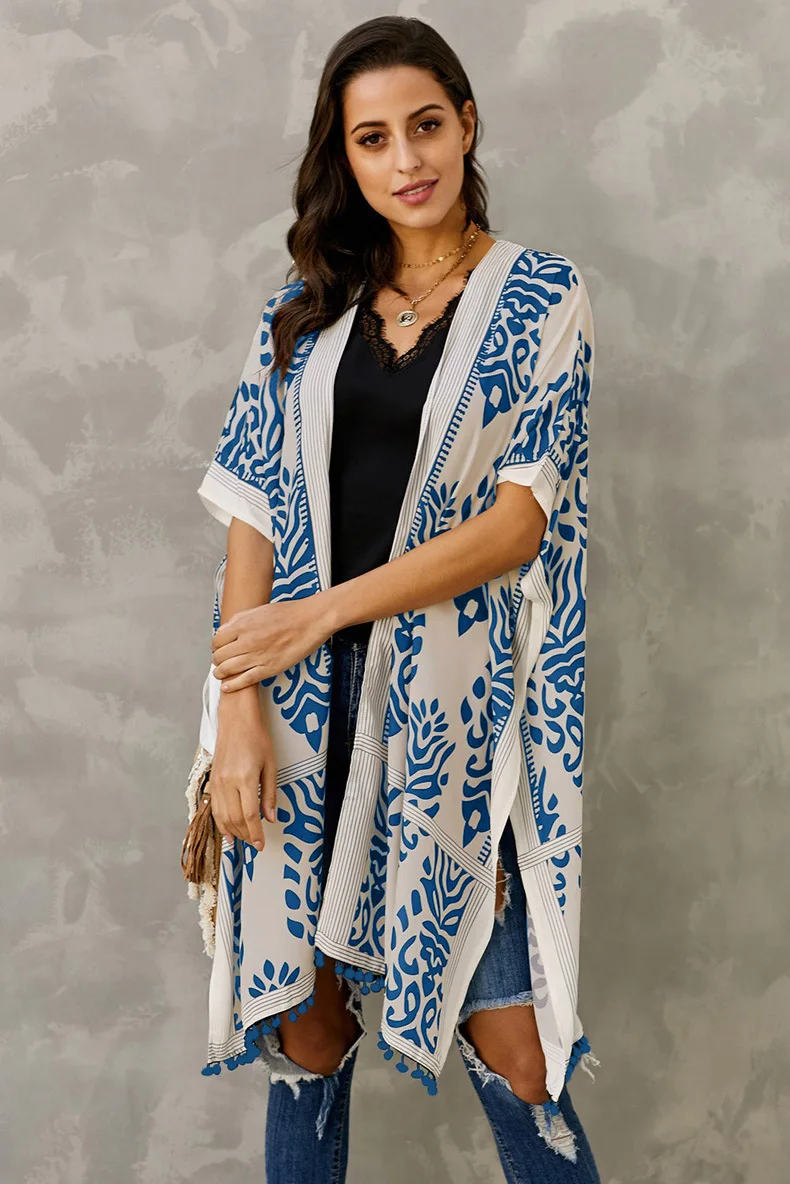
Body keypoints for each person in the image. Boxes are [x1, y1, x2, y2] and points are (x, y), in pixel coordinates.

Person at [186, 14, 601, 1182]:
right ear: (346, 156)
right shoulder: (305, 305)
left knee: (517, 1048)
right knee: (305, 1035)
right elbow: (254, 506)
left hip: (451, 717)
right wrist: (238, 711)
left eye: (425, 125)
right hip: (291, 707)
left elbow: (515, 525)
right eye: (372, 139)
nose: (406, 159)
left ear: (466, 124)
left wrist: (324, 612)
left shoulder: (541, 297)